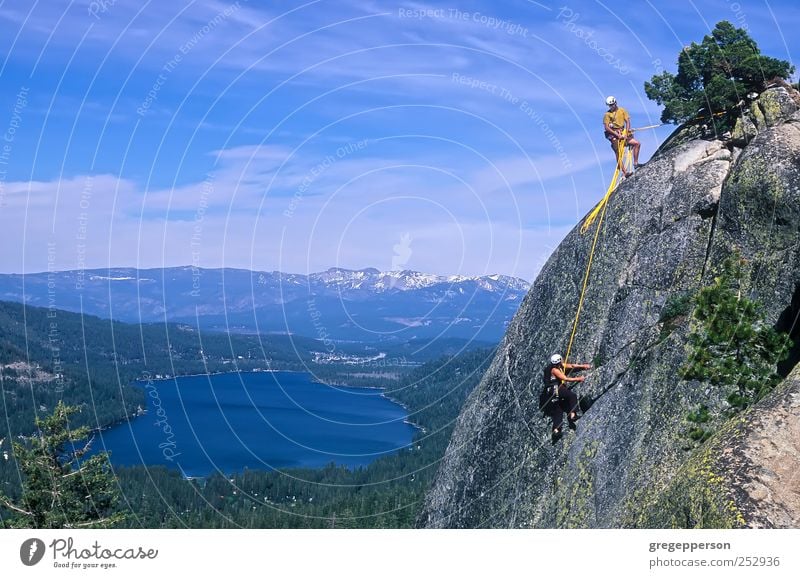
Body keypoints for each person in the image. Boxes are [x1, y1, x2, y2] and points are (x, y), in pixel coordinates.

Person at [540, 353, 591, 444]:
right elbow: (565, 378)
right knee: (572, 396)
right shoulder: (554, 370)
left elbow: (571, 366)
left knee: (558, 410)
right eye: (561, 359)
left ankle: (556, 430)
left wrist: (583, 366)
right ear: (559, 361)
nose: (563, 360)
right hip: (556, 389)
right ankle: (572, 415)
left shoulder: (554, 366)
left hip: (550, 393)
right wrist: (579, 378)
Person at [603, 96, 641, 178]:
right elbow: (607, 128)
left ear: (615, 103)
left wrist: (626, 133)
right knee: (618, 153)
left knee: (637, 143)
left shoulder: (622, 110)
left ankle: (636, 163)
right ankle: (625, 172)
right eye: (610, 105)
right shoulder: (607, 115)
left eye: (612, 104)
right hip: (613, 134)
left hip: (623, 132)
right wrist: (617, 135)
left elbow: (627, 122)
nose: (611, 106)